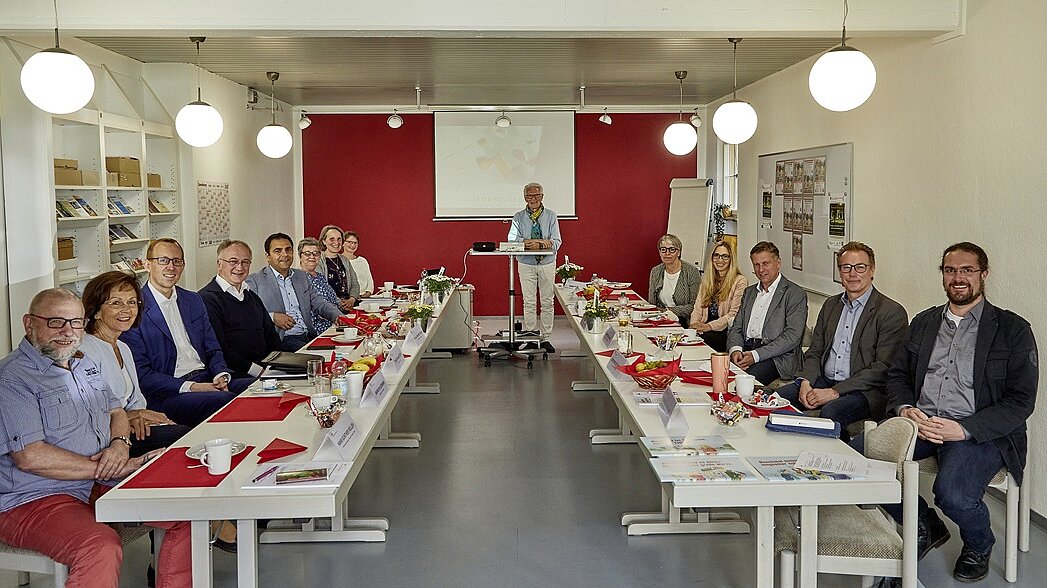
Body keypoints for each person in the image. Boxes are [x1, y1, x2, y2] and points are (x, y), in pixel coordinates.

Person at [853, 242, 1037, 583]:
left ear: (983, 275)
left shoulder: (1013, 330)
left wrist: (963, 430)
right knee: (854, 461)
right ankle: (924, 522)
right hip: (919, 424)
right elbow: (898, 375)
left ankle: (980, 543)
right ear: (943, 276)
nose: (958, 278)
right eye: (950, 270)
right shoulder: (924, 322)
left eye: (967, 270)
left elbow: (1020, 401)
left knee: (953, 495)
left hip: (976, 432)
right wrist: (905, 409)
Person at [0, 288, 192, 588]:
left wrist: (119, 445)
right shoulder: (12, 379)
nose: (68, 332)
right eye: (55, 322)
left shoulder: (82, 362)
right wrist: (115, 467)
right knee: (100, 547)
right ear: (29, 323)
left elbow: (117, 411)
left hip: (99, 484)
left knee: (186, 510)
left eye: (76, 322)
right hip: (35, 499)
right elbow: (30, 457)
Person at [776, 242, 909, 438]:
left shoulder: (891, 312)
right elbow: (815, 351)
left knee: (831, 413)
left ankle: (835, 462)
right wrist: (806, 381)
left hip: (864, 390)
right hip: (823, 380)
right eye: (846, 267)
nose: (852, 273)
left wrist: (835, 391)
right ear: (840, 272)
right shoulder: (831, 305)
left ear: (872, 270)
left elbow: (883, 367)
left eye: (860, 267)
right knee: (776, 399)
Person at [122, 238, 250, 428]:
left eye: (177, 261)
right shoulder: (134, 308)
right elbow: (143, 375)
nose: (171, 267)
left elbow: (213, 348)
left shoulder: (193, 300)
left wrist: (220, 374)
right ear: (148, 265)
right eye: (163, 260)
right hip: (169, 393)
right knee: (227, 401)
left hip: (206, 378)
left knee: (257, 388)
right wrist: (194, 388)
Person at [80, 271, 192, 456]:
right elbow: (89, 412)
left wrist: (139, 415)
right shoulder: (85, 349)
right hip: (106, 437)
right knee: (182, 437)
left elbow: (136, 400)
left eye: (132, 302)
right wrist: (130, 417)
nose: (127, 310)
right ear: (97, 311)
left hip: (129, 427)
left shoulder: (123, 347)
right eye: (116, 303)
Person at [725, 241, 808, 384]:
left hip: (777, 357)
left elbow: (792, 337)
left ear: (778, 263)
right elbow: (737, 327)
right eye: (756, 265)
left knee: (743, 382)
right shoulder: (749, 292)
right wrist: (735, 350)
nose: (761, 269)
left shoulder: (794, 293)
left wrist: (755, 356)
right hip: (746, 349)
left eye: (766, 263)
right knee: (718, 373)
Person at [199, 240, 282, 377]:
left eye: (245, 262)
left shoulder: (250, 296)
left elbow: (271, 335)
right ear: (219, 264)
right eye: (233, 261)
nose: (240, 267)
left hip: (267, 369)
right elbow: (220, 348)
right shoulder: (207, 299)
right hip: (237, 374)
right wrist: (258, 372)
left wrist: (281, 363)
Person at [247, 232, 343, 351]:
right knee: (319, 360)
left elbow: (320, 304)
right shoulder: (255, 280)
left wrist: (338, 316)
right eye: (278, 251)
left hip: (309, 336)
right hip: (281, 340)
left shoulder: (301, 276)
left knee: (342, 351)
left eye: (288, 250)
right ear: (268, 256)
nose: (285, 254)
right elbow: (247, 314)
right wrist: (272, 317)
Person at [507, 182, 562, 352]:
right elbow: (511, 241)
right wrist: (527, 244)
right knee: (529, 301)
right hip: (525, 264)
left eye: (536, 196)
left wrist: (539, 244)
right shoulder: (518, 217)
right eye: (529, 196)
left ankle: (545, 338)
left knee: (547, 301)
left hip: (546, 263)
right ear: (525, 198)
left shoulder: (551, 216)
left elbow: (557, 242)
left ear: (542, 197)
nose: (533, 199)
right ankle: (531, 336)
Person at [688, 240, 748, 351]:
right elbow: (697, 309)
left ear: (731, 259)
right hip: (703, 328)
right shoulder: (707, 279)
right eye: (716, 256)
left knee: (702, 342)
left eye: (725, 256)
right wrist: (694, 326)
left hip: (724, 331)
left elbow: (733, 314)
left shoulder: (740, 281)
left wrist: (708, 327)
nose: (720, 260)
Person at [646, 234, 701, 327]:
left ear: (679, 252)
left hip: (682, 320)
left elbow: (693, 306)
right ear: (659, 252)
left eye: (672, 249)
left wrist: (669, 311)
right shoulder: (655, 271)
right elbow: (651, 303)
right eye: (663, 249)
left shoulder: (692, 272)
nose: (667, 253)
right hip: (659, 318)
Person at [299, 237, 341, 334]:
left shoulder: (320, 277)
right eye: (307, 254)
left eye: (316, 253)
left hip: (335, 322)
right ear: (300, 256)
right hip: (318, 329)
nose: (312, 257)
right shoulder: (298, 279)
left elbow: (334, 299)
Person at [317, 224, 360, 311]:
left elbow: (355, 284)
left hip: (350, 305)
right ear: (324, 241)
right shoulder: (318, 260)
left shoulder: (344, 260)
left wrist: (351, 300)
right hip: (330, 308)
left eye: (339, 239)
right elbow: (323, 288)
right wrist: (340, 303)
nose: (336, 242)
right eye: (331, 239)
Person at [343, 230, 375, 298]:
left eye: (355, 243)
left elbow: (370, 281)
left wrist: (368, 293)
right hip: (349, 298)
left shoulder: (362, 261)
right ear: (343, 243)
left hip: (365, 298)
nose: (352, 245)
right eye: (349, 242)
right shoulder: (339, 261)